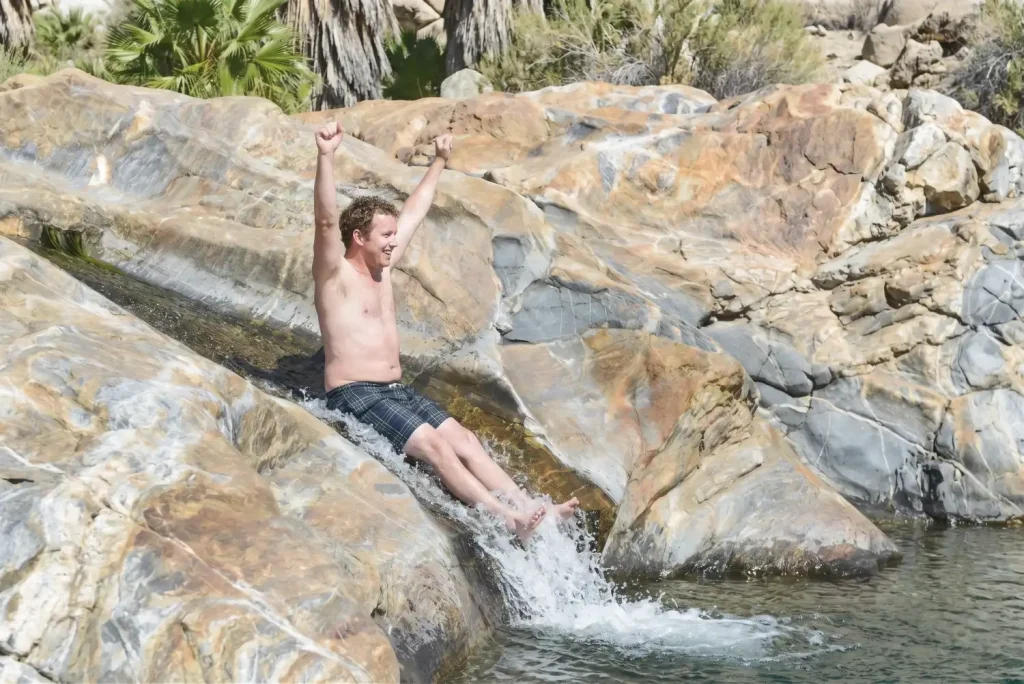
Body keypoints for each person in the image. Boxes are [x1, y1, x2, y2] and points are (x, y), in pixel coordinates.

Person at [312, 121, 579, 542]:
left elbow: (415, 211)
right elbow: (327, 222)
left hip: (394, 390)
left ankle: (528, 507)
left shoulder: (383, 267)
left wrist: (439, 162)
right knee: (435, 447)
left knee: (463, 439)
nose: (392, 243)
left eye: (392, 236)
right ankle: (503, 518)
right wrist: (326, 156)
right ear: (359, 237)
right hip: (355, 393)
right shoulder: (335, 275)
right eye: (384, 236)